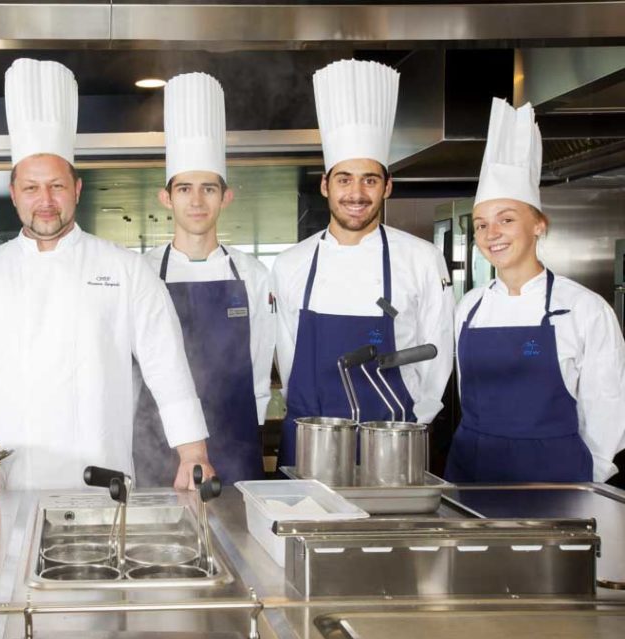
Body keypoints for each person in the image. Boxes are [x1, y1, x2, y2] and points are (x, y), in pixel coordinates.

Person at [0, 58, 212, 490]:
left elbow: (167, 365)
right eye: (31, 188)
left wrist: (193, 452)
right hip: (5, 487)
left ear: (77, 189)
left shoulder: (125, 269)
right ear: (14, 194)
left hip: (104, 486)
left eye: (56, 186)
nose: (44, 200)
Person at [272, 59, 454, 467]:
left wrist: (408, 425)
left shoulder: (422, 259)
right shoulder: (290, 264)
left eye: (370, 180)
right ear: (325, 185)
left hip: (391, 443)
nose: (357, 193)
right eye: (344, 179)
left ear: (387, 186)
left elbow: (438, 352)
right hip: (309, 442)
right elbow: (286, 353)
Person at [445, 98, 625, 483]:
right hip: (472, 477)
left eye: (506, 220)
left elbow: (609, 413)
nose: (491, 234)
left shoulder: (584, 309)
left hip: (556, 482)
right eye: (480, 224)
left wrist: (581, 483)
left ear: (538, 225)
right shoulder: (470, 307)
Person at [132, 72, 274, 486]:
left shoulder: (251, 273)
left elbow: (261, 364)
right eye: (185, 189)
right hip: (156, 445)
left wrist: (252, 425)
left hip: (237, 443)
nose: (196, 201)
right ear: (166, 197)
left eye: (209, 189)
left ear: (226, 197)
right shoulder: (140, 273)